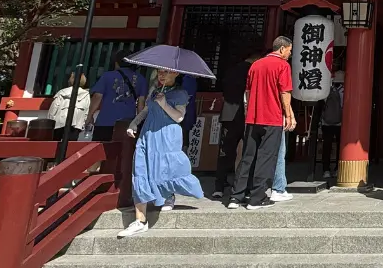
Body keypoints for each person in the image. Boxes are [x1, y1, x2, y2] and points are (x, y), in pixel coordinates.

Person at [117, 68, 205, 238]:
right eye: (159, 71)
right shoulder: (155, 90)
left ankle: (168, 195)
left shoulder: (180, 93)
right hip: (148, 134)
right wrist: (134, 124)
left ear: (176, 74)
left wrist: (164, 104)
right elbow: (146, 110)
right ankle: (140, 220)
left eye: (166, 72)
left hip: (167, 134)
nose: (161, 74)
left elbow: (179, 117)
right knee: (140, 170)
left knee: (166, 168)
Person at [225, 36, 296, 210]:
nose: (289, 54)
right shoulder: (282, 66)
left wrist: (250, 111)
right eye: (289, 50)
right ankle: (257, 198)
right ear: (282, 49)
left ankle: (236, 196)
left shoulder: (255, 66)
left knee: (247, 158)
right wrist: (289, 115)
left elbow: (247, 93)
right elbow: (285, 93)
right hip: (272, 118)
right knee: (267, 157)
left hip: (252, 118)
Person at [212, 47, 259, 200]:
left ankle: (219, 186)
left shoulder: (230, 70)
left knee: (225, 151)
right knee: (247, 152)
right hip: (245, 114)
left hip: (228, 114)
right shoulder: (252, 70)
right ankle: (241, 186)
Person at [87, 52, 148, 141]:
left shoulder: (107, 76)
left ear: (116, 62)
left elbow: (97, 96)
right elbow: (141, 104)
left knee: (100, 149)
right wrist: (139, 123)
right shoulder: (141, 79)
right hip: (127, 123)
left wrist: (90, 115)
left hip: (105, 121)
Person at [48, 73, 90, 141]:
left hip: (59, 123)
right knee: (70, 146)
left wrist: (50, 122)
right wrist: (83, 124)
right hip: (76, 124)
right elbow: (86, 110)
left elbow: (53, 108)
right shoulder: (86, 94)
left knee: (55, 144)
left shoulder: (62, 92)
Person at [319, 80, 344, 179]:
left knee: (327, 146)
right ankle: (338, 169)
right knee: (341, 146)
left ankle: (326, 170)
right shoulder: (343, 90)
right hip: (341, 122)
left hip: (326, 122)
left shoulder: (326, 89)